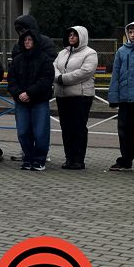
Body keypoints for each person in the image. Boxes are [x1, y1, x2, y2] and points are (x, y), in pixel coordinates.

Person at [8, 28, 56, 171]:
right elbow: (11, 80)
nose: (27, 42)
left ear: (35, 42)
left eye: (30, 40)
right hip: (21, 101)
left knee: (40, 132)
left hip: (39, 101)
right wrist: (19, 93)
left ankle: (39, 159)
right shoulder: (17, 60)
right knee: (23, 132)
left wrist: (29, 92)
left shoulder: (45, 60)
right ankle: (28, 157)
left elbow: (46, 80)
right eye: (25, 40)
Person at [53, 26, 97, 170]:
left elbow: (85, 72)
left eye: (75, 35)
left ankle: (78, 159)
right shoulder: (62, 53)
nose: (71, 37)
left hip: (80, 96)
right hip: (62, 95)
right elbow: (53, 66)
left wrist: (62, 78)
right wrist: (57, 77)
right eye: (70, 35)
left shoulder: (90, 53)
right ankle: (69, 158)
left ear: (82, 37)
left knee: (78, 128)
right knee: (66, 128)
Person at [109, 20, 134, 171]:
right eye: (131, 32)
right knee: (124, 131)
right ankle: (125, 160)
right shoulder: (121, 51)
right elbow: (115, 75)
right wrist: (113, 98)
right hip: (125, 98)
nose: (133, 35)